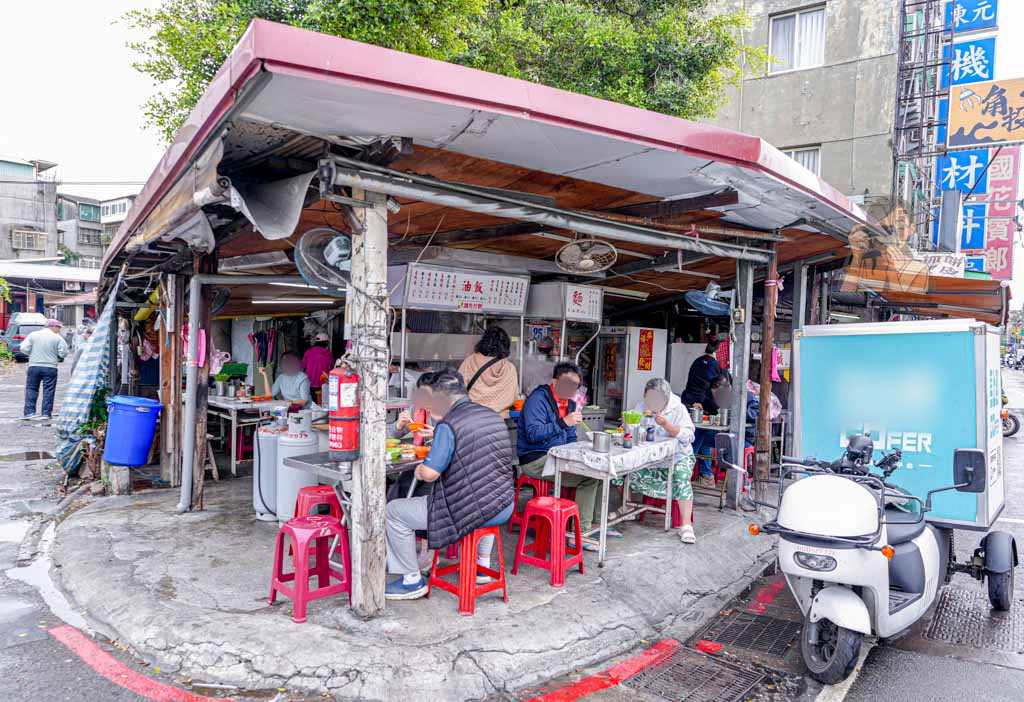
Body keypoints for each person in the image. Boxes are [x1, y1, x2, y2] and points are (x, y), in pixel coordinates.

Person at [384, 369, 514, 600]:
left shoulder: (450, 424)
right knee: (483, 495)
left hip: (469, 510)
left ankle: (411, 580)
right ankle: (481, 566)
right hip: (503, 504)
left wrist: (419, 470)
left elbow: (431, 473)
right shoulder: (492, 415)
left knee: (394, 511)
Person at [515, 362, 607, 550]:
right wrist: (563, 422)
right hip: (535, 459)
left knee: (599, 471)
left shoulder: (571, 403)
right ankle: (578, 533)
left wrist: (577, 451)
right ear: (555, 381)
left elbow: (571, 437)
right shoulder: (538, 399)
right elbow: (534, 434)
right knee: (589, 479)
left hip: (559, 458)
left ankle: (597, 525)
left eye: (575, 386)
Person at [623, 378, 698, 543]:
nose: (651, 402)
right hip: (650, 457)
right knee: (623, 469)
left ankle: (686, 525)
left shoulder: (678, 409)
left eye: (656, 399)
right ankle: (627, 508)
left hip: (678, 457)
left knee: (680, 477)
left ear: (666, 398)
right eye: (648, 398)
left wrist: (667, 425)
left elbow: (689, 436)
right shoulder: (642, 407)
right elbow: (631, 429)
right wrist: (631, 424)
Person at [683, 340, 722, 486]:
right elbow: (715, 388)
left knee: (701, 438)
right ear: (717, 353)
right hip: (703, 407)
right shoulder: (714, 365)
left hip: (690, 403)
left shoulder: (697, 361)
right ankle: (688, 473)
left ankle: (706, 475)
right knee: (697, 438)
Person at [458, 326, 520, 415]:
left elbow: (458, 390)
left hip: (472, 417)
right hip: (499, 421)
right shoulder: (510, 368)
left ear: (483, 341)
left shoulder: (469, 362)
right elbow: (513, 397)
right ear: (505, 344)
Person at [21, 318, 69, 420]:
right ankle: (46, 414)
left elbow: (23, 348)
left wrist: (32, 354)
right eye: (59, 327)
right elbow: (63, 353)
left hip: (34, 366)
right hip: (50, 367)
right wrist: (56, 356)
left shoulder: (33, 335)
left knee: (31, 389)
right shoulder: (58, 338)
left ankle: (29, 412)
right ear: (53, 327)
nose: (59, 330)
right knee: (48, 390)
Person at [301, 333, 334, 399]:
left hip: (310, 383)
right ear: (326, 342)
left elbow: (303, 367)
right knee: (322, 403)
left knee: (312, 404)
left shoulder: (308, 352)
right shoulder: (328, 354)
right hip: (323, 383)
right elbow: (332, 368)